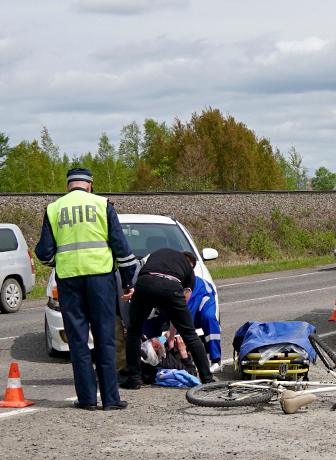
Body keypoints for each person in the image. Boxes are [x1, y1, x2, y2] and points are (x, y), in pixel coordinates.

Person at [36, 166, 138, 410]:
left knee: (78, 341)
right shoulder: (103, 205)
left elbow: (43, 253)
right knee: (105, 339)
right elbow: (121, 249)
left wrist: (60, 262)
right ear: (90, 185)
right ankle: (111, 400)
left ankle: (87, 400)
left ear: (67, 186)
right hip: (100, 279)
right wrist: (127, 282)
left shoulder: (54, 209)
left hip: (69, 279)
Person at [120, 247, 215, 389]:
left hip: (146, 282)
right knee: (190, 334)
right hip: (171, 286)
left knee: (134, 332)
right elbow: (185, 300)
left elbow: (136, 273)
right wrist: (173, 333)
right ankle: (207, 379)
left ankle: (134, 378)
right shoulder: (189, 272)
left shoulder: (155, 254)